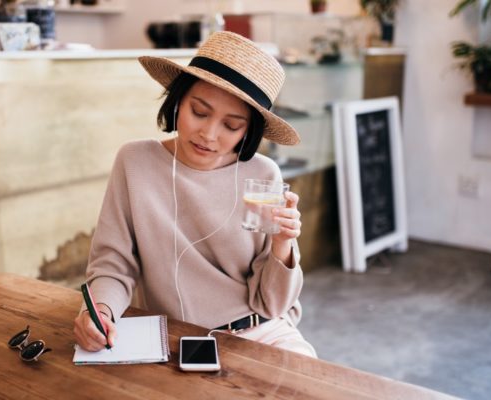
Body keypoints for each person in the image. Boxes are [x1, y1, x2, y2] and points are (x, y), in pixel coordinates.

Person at [73, 31, 317, 358]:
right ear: (178, 101)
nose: (209, 134)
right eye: (199, 112)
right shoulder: (135, 163)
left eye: (231, 126)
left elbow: (272, 303)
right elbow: (113, 263)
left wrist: (282, 245)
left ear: (249, 131)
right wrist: (100, 312)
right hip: (173, 337)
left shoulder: (262, 175)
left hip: (259, 332)